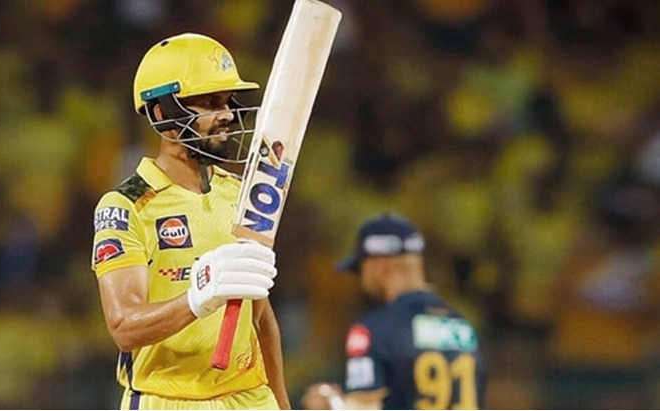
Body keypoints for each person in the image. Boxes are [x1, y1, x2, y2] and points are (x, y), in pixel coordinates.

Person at [90, 32, 290, 410]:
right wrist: (199, 297)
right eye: (210, 103)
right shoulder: (126, 205)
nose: (227, 115)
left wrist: (281, 403)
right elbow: (123, 327)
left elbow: (260, 316)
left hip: (250, 397)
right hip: (168, 399)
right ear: (162, 114)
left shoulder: (244, 193)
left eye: (227, 102)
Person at [301, 213, 486, 410]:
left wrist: (331, 404)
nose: (361, 278)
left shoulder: (374, 329)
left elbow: (363, 408)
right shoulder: (463, 327)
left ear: (382, 265)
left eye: (361, 268)